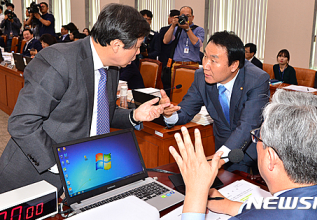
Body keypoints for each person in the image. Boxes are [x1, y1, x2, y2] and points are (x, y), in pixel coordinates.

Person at [0, 3, 169, 195]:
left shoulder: (111, 67)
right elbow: (22, 123)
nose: (138, 53)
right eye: (137, 47)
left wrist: (135, 115)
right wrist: (63, 166)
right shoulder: (59, 60)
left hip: (85, 174)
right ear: (116, 45)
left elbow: (100, 113)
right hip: (36, 176)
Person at [170, 89, 317, 220]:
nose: (255, 139)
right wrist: (233, 207)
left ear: (271, 158)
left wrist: (195, 193)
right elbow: (295, 207)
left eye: (258, 136)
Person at [160, 31, 270, 173]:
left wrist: (216, 158)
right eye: (205, 56)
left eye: (213, 60)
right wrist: (170, 114)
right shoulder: (201, 77)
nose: (205, 65)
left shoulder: (256, 79)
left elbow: (248, 124)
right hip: (223, 148)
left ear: (234, 65)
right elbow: (186, 110)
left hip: (253, 153)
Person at [163, 6, 205, 89]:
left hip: (192, 66)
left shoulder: (199, 29)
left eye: (187, 16)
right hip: (177, 65)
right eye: (183, 15)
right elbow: (165, 41)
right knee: (176, 91)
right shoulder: (177, 29)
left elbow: (196, 43)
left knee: (192, 90)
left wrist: (188, 29)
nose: (185, 18)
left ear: (192, 17)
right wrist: (172, 26)